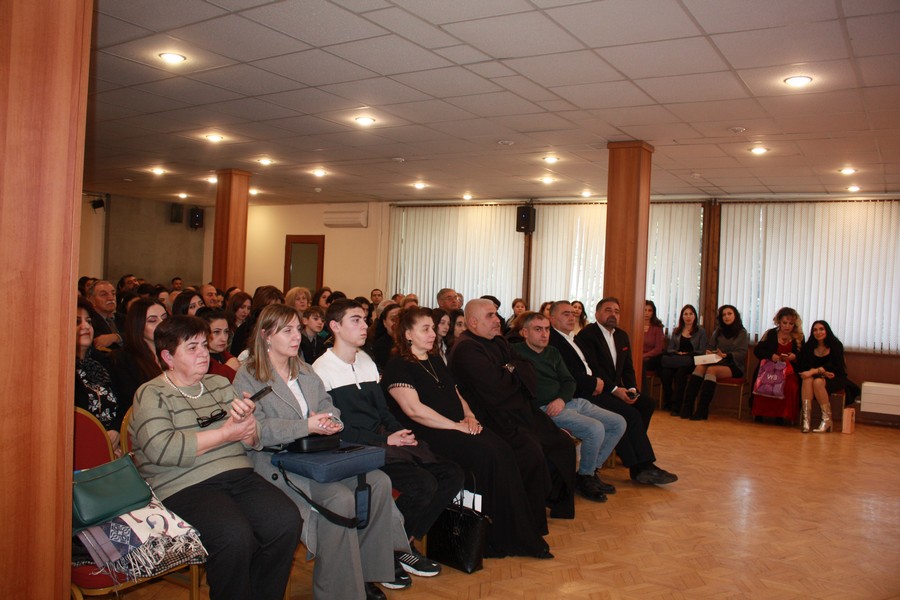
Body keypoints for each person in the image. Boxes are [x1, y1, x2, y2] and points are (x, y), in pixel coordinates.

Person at [233, 304, 403, 600]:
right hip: (276, 461)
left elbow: (328, 406)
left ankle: (364, 574)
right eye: (287, 330)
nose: (296, 336)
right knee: (339, 499)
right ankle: (339, 591)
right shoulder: (249, 376)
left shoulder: (304, 370)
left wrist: (330, 421)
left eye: (298, 329)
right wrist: (306, 426)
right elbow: (256, 431)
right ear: (266, 335)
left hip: (316, 455)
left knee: (378, 482)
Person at [130, 316, 301, 600]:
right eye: (192, 347)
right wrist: (224, 434)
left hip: (237, 474)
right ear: (168, 357)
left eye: (204, 345)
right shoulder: (151, 393)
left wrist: (247, 427)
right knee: (233, 535)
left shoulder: (219, 384)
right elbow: (161, 449)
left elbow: (254, 438)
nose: (203, 353)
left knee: (286, 521)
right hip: (183, 484)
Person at [382, 307, 551, 558]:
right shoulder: (398, 366)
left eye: (433, 328)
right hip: (427, 433)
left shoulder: (434, 359)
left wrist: (469, 415)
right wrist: (455, 425)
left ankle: (512, 533)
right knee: (487, 455)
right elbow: (414, 411)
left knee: (503, 450)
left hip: (455, 425)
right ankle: (489, 538)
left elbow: (455, 393)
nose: (433, 334)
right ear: (407, 334)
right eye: (425, 329)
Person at [313, 300, 461, 575]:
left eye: (364, 319)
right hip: (353, 449)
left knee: (451, 473)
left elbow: (383, 411)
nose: (364, 325)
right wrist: (385, 440)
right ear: (335, 326)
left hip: (382, 442)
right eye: (356, 320)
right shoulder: (321, 370)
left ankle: (402, 542)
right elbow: (338, 428)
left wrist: (398, 431)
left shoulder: (366, 361)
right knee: (423, 483)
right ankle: (392, 550)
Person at [449, 298, 575, 526]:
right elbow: (495, 387)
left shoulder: (498, 341)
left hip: (518, 408)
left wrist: (508, 370)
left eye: (496, 314)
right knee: (531, 451)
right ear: (473, 322)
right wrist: (512, 371)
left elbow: (527, 368)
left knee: (562, 443)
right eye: (490, 316)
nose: (497, 320)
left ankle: (556, 501)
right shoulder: (467, 347)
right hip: (492, 416)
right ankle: (527, 517)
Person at [513, 312, 625, 502]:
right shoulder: (515, 353)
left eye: (547, 329)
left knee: (618, 422)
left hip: (567, 402)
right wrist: (556, 402)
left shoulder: (553, 352)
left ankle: (588, 473)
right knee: (594, 429)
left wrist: (562, 399)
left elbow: (569, 380)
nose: (544, 334)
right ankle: (586, 476)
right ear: (524, 332)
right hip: (545, 408)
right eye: (538, 329)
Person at [572, 298, 678, 485]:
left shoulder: (621, 336)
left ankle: (631, 448)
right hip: (595, 391)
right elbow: (594, 370)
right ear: (597, 313)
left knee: (646, 403)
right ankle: (641, 466)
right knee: (629, 414)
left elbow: (628, 368)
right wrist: (615, 390)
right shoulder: (587, 335)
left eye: (617, 311)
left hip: (616, 389)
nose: (613, 314)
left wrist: (631, 389)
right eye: (608, 310)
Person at [75, 299, 126, 452]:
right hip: (83, 446)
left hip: (116, 440)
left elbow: (125, 400)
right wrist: (100, 441)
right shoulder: (60, 370)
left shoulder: (105, 360)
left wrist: (116, 430)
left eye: (88, 321)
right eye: (77, 322)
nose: (85, 326)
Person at [682, 305, 749, 421]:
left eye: (729, 314)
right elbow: (710, 346)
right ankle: (687, 407)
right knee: (699, 367)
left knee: (711, 370)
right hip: (716, 360)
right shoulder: (718, 331)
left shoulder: (742, 332)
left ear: (735, 316)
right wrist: (709, 351)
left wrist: (726, 355)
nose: (726, 317)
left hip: (733, 365)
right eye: (724, 315)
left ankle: (702, 410)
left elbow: (742, 353)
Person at [109, 298, 167, 408]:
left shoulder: (176, 352)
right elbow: (130, 401)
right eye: (152, 320)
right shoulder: (123, 359)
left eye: (164, 318)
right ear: (138, 325)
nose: (162, 324)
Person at [750, 307, 803, 424]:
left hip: (788, 370)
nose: (787, 326)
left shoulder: (799, 337)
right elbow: (758, 350)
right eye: (785, 323)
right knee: (765, 382)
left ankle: (781, 415)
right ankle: (760, 413)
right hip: (769, 368)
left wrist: (794, 357)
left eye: (791, 324)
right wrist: (771, 356)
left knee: (790, 385)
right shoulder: (770, 334)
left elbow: (804, 356)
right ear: (779, 321)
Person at [797, 320, 847, 433]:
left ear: (827, 330)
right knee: (807, 380)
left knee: (818, 382)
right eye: (815, 330)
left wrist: (816, 371)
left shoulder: (836, 345)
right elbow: (804, 366)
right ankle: (806, 420)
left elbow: (836, 367)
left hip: (835, 378)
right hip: (816, 376)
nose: (818, 332)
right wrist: (820, 372)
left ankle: (827, 420)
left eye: (821, 329)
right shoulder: (808, 346)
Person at [659, 304, 707, 416]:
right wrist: (677, 353)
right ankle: (668, 402)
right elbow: (670, 348)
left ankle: (677, 406)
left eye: (691, 314)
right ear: (682, 316)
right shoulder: (677, 331)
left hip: (691, 361)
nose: (688, 316)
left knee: (681, 373)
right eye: (685, 314)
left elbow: (702, 350)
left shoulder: (701, 331)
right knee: (665, 373)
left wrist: (687, 354)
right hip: (677, 359)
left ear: (695, 316)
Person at [231, 285, 285, 356]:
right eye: (270, 309)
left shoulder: (283, 329)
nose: (274, 313)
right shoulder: (244, 330)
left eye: (277, 309)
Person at [199, 309, 240, 382]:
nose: (224, 338)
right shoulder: (199, 361)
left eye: (226, 332)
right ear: (204, 333)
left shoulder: (228, 357)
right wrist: (227, 369)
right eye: (216, 332)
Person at [87, 280, 123, 351]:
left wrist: (116, 337)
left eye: (113, 294)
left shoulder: (125, 318)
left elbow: (136, 337)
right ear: (92, 300)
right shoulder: (89, 321)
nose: (111, 298)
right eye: (104, 294)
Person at [642, 300, 665, 392]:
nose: (647, 313)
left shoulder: (657, 327)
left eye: (649, 310)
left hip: (652, 358)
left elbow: (658, 349)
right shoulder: (636, 324)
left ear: (653, 312)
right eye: (645, 310)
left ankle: (644, 395)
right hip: (637, 356)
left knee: (641, 365)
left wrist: (644, 356)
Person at [370, 303, 401, 370]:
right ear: (384, 323)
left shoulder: (412, 341)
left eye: (400, 318)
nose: (397, 323)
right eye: (393, 319)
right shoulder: (380, 346)